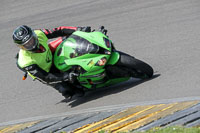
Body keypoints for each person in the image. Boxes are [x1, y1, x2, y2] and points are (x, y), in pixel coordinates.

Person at [13, 25, 91, 99]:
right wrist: (66, 76)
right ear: (21, 47)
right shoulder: (26, 62)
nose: (31, 45)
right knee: (72, 91)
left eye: (31, 41)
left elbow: (59, 30)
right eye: (26, 45)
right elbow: (46, 77)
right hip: (46, 71)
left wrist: (78, 29)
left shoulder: (39, 33)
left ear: (34, 35)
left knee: (70, 38)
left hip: (48, 53)